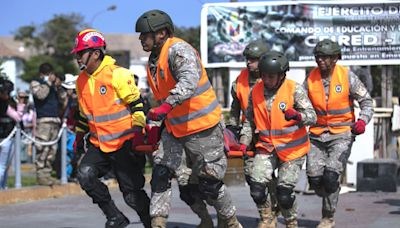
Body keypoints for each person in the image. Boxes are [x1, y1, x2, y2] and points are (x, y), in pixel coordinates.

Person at [135, 9, 242, 227]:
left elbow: (188, 82)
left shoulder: (179, 50)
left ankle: (230, 221)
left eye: (145, 34)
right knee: (161, 174)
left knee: (209, 184)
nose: (140, 39)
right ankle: (159, 222)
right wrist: (154, 124)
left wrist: (165, 106)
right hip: (175, 130)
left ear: (162, 33)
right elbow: (161, 100)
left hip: (204, 128)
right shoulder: (153, 63)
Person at [71, 28, 151, 228]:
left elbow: (138, 105)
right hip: (99, 143)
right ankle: (115, 217)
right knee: (85, 175)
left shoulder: (118, 74)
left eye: (81, 53)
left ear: (96, 53)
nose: (78, 57)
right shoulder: (80, 81)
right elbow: (84, 114)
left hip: (124, 143)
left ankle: (153, 224)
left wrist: (138, 132)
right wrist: (79, 136)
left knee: (132, 195)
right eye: (77, 54)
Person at [240, 51, 316, 228]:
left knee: (284, 193)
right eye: (263, 75)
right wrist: (244, 141)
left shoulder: (294, 89)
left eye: (271, 76)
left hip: (292, 149)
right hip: (266, 147)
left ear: (282, 75)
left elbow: (312, 116)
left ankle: (291, 221)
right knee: (256, 188)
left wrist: (298, 116)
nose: (266, 79)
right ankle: (267, 218)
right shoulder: (255, 91)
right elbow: (249, 121)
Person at [304, 39, 374, 228]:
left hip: (342, 134)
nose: (320, 60)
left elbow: (366, 101)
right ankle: (329, 189)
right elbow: (300, 103)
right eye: (318, 57)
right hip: (317, 135)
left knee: (330, 177)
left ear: (335, 58)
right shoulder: (310, 78)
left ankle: (328, 217)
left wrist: (362, 121)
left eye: (325, 57)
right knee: (315, 179)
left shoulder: (347, 76)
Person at [227, 40, 281, 227]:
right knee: (253, 177)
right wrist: (233, 128)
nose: (249, 63)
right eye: (248, 59)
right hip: (249, 134)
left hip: (274, 135)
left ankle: (277, 205)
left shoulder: (275, 79)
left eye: (254, 60)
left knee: (278, 179)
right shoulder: (238, 82)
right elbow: (235, 109)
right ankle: (267, 215)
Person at [30, 63, 67, 186]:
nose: (49, 77)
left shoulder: (53, 86)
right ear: (41, 74)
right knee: (43, 149)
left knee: (52, 150)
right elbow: (40, 95)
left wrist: (59, 87)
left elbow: (63, 99)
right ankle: (41, 175)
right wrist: (48, 83)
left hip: (55, 120)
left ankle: (48, 174)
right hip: (43, 121)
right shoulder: (36, 83)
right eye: (47, 74)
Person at [0, 77, 22, 189]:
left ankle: (3, 186)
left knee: (4, 166)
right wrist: (21, 106)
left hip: (6, 136)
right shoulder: (5, 105)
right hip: (6, 137)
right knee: (2, 166)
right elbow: (18, 117)